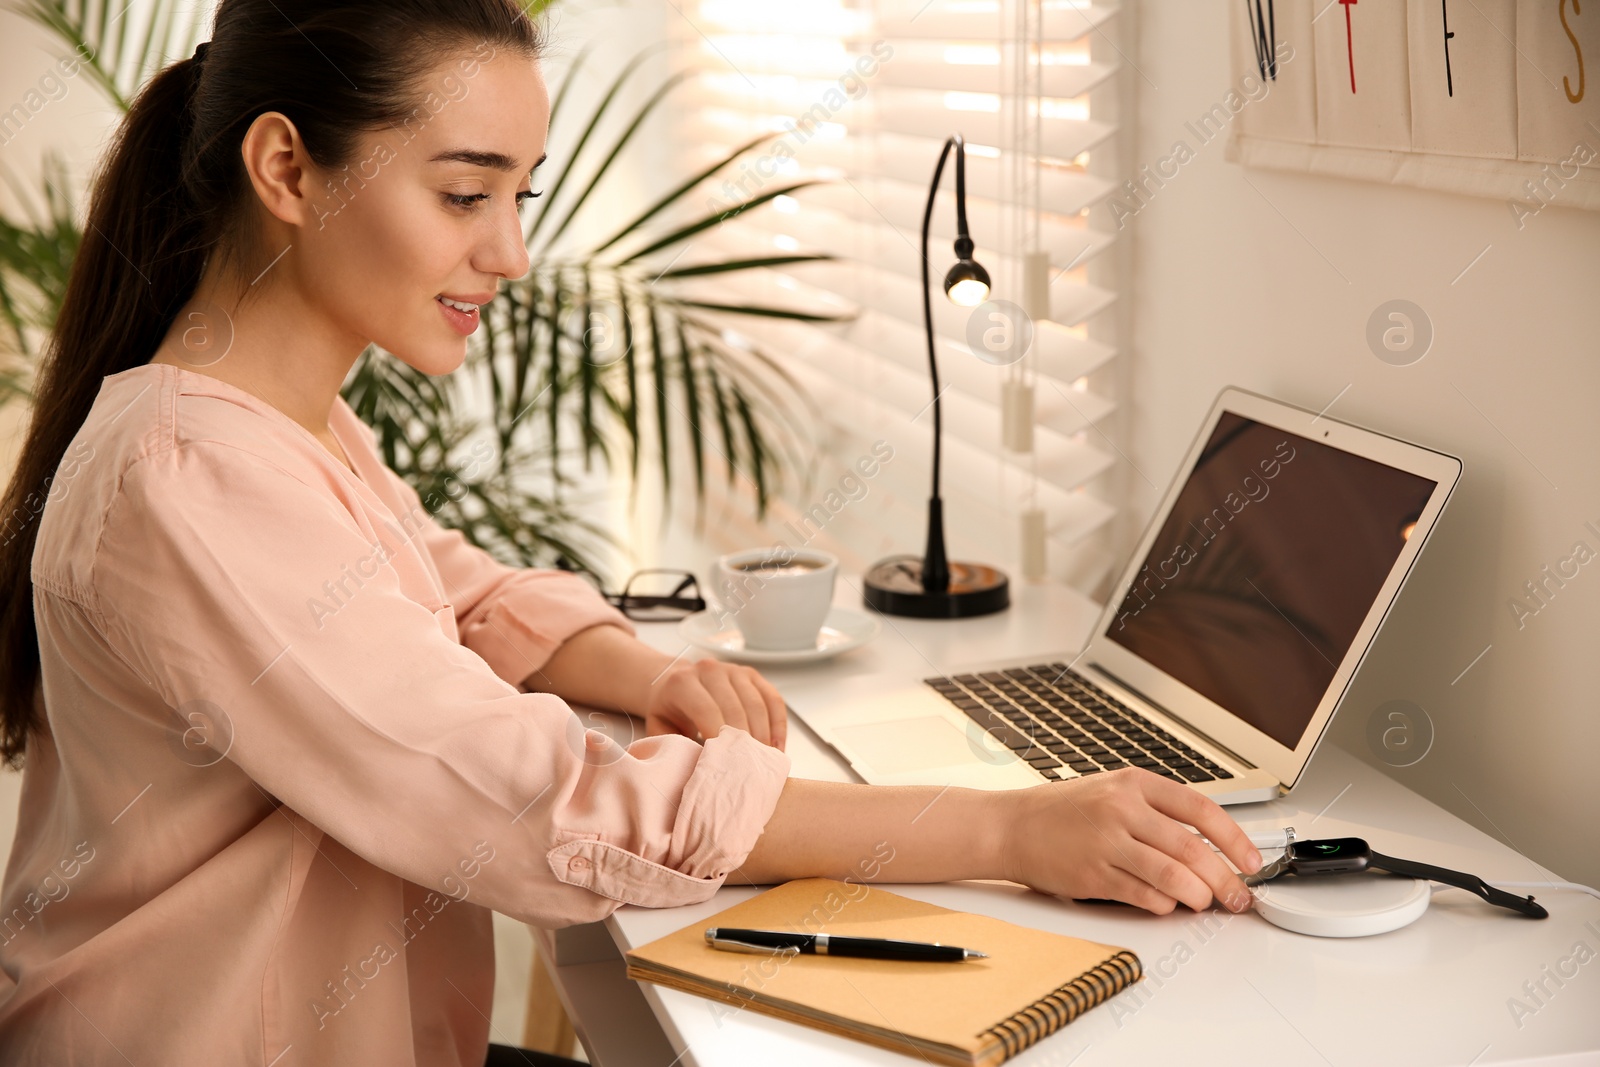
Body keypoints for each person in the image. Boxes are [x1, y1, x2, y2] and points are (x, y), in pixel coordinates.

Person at [0, 2, 1263, 1063]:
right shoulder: (188, 477)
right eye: (462, 194)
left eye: (518, 195)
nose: (510, 251)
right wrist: (1011, 832)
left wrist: (654, 672)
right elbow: (547, 808)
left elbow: (454, 594)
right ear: (285, 170)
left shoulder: (273, 422)